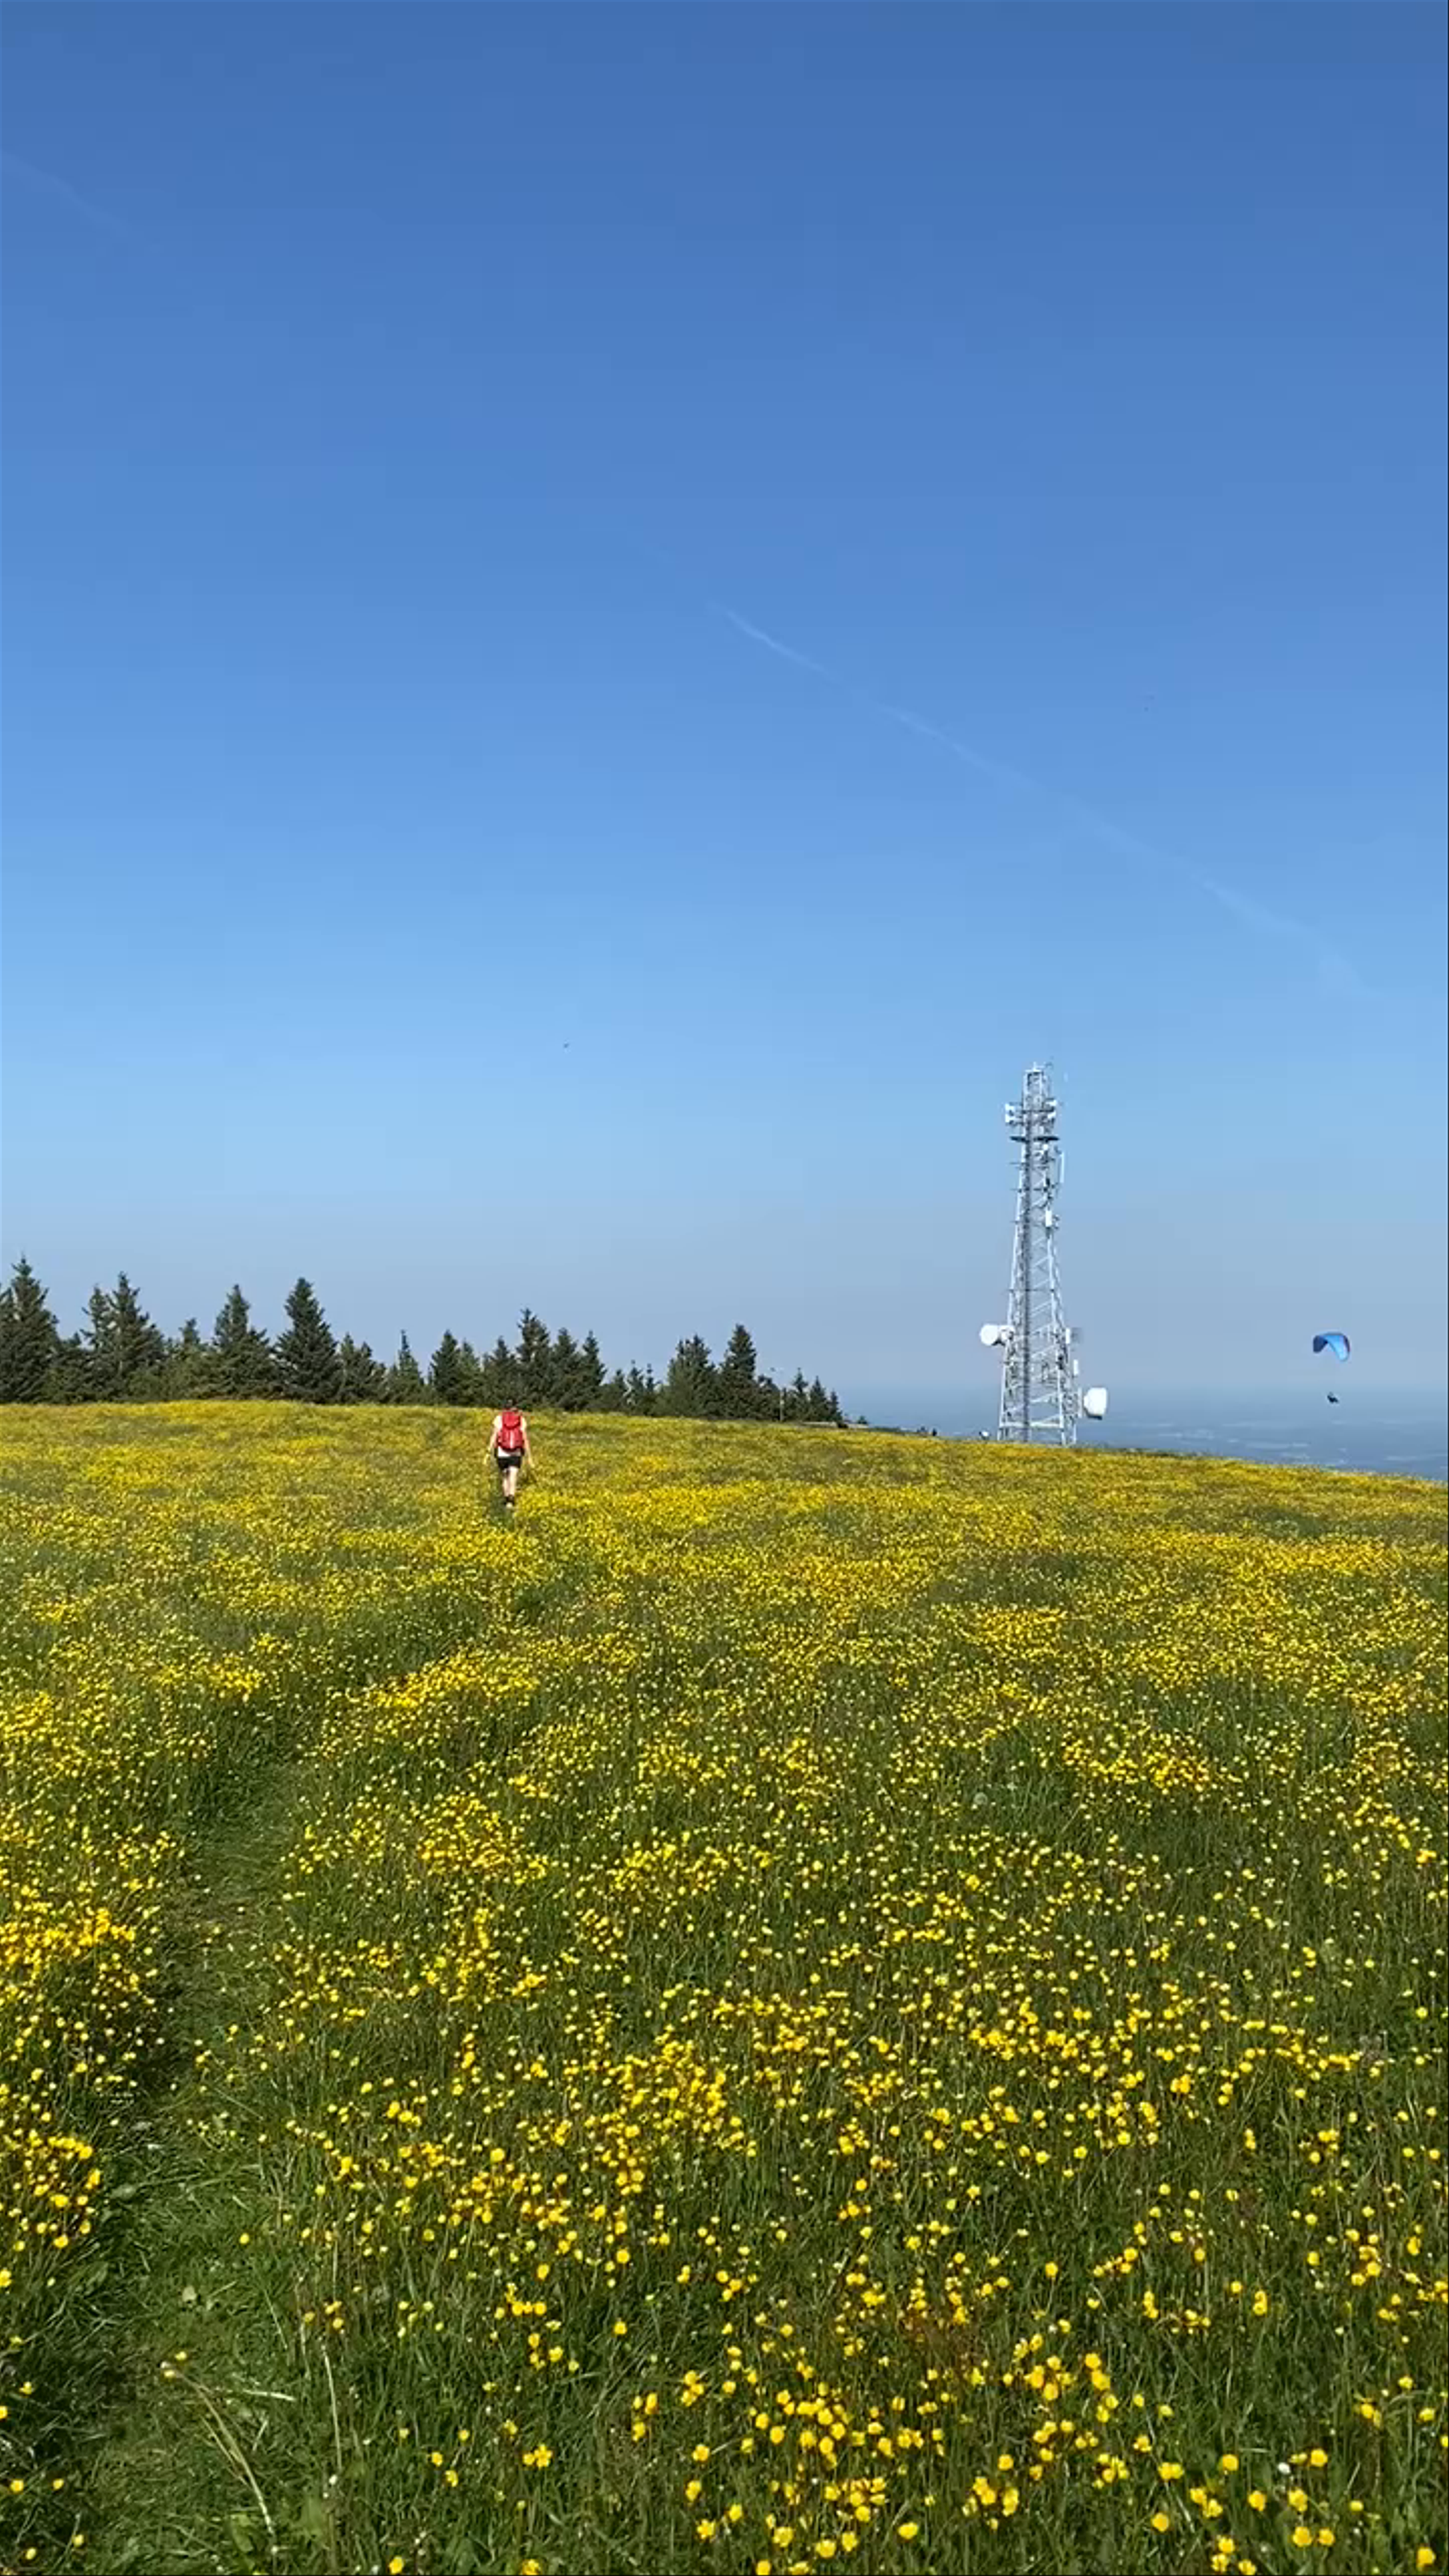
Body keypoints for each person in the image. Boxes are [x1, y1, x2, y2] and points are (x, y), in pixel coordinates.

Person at [488, 1404, 532, 1513]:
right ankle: (511, 1502)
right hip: (516, 1453)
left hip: (502, 1453)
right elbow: (525, 1439)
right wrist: (530, 1457)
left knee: (505, 1476)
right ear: (516, 1408)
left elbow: (494, 1436)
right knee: (514, 1476)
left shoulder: (499, 1419)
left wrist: (488, 1453)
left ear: (505, 1408)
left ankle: (507, 1498)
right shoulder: (521, 1419)